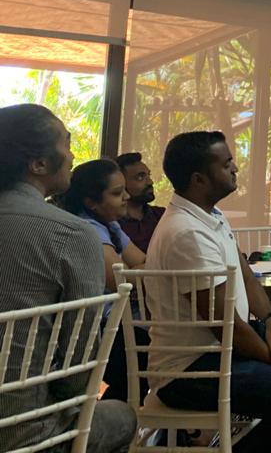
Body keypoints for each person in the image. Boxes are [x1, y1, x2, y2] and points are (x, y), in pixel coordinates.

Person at [146, 131, 271, 453]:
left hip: (225, 351)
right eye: (226, 165)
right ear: (198, 179)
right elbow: (226, 327)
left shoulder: (211, 216)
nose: (235, 168)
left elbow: (247, 275)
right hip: (190, 370)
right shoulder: (186, 233)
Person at [0, 104, 136, 453]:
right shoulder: (71, 234)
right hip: (24, 432)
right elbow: (78, 373)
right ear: (38, 163)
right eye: (67, 143)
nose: (73, 155)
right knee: (123, 416)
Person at [58, 158, 148, 403]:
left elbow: (144, 264)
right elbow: (122, 281)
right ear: (91, 202)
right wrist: (135, 272)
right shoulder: (89, 230)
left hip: (118, 321)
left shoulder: (110, 225)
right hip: (98, 329)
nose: (127, 197)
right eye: (117, 193)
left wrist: (135, 271)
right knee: (151, 354)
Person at [116, 152, 165, 253]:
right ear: (121, 183)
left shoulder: (162, 216)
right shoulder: (113, 223)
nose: (150, 182)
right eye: (140, 177)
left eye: (148, 175)